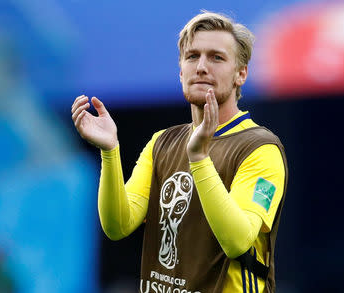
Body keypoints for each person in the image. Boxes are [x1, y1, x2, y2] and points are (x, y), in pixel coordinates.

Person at [71, 11, 288, 293]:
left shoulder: (260, 149)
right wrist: (110, 152)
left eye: (216, 57)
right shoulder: (163, 141)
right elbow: (117, 225)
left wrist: (199, 158)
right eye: (192, 56)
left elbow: (238, 242)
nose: (201, 67)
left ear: (241, 73)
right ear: (180, 70)